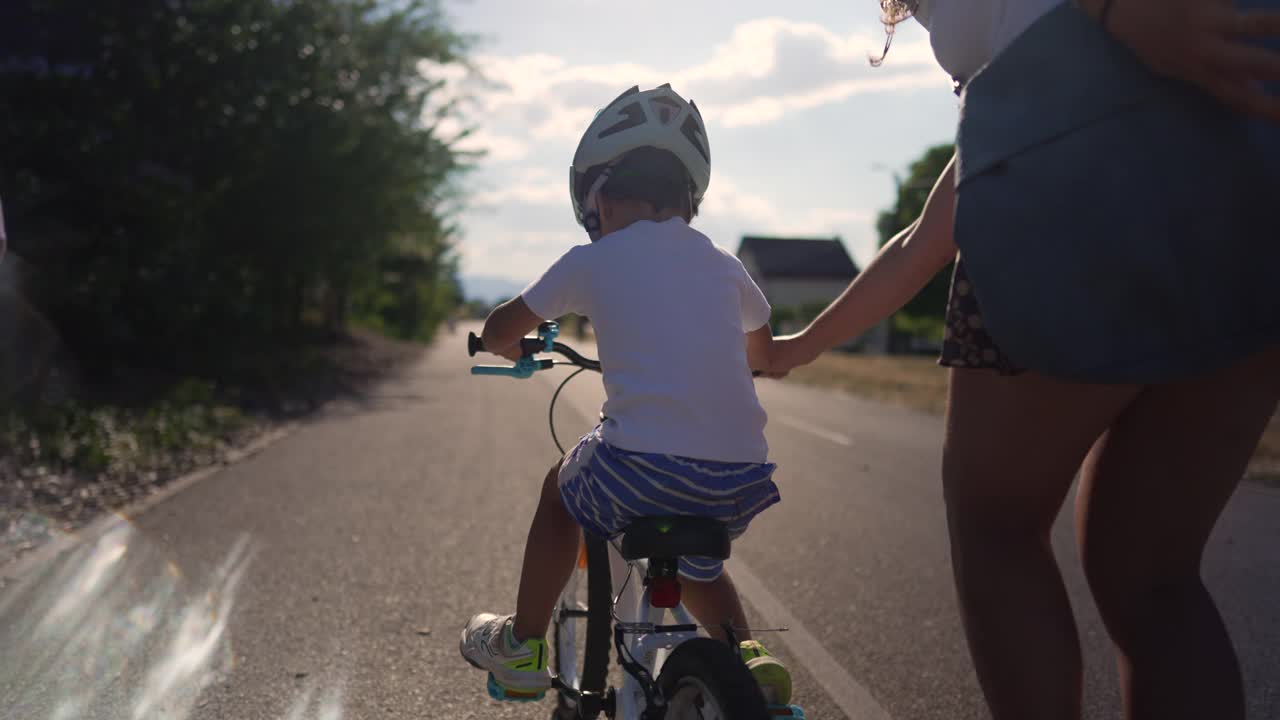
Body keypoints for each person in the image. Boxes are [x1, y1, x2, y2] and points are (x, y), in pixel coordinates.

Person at [769, 1, 1280, 719]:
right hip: (1248, 176)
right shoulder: (1015, 89)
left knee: (996, 526)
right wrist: (802, 345)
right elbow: (927, 236)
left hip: (1077, 178)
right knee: (1152, 576)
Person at [458, 85, 793, 707]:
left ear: (601, 197)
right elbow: (764, 355)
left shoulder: (594, 259)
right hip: (740, 479)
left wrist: (508, 347)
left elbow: (504, 328)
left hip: (638, 470)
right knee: (702, 565)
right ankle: (749, 659)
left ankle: (524, 645)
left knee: (560, 490)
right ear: (688, 200)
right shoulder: (724, 264)